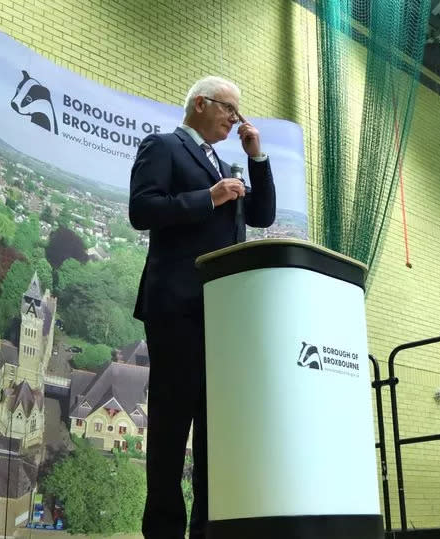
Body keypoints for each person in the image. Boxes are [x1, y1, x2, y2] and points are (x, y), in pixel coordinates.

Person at [129, 75, 276, 539]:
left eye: (238, 113)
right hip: (176, 308)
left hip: (222, 314)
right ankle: (164, 531)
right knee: (171, 428)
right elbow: (142, 209)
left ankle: (208, 530)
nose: (235, 119)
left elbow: (263, 216)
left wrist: (257, 159)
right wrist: (208, 198)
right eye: (229, 110)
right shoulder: (164, 146)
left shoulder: (226, 162)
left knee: (215, 431)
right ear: (199, 104)